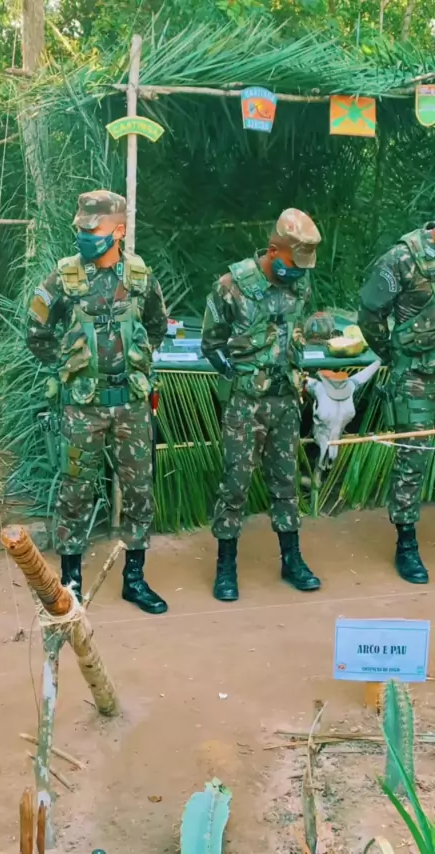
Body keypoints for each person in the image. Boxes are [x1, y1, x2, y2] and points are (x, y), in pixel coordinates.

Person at [26, 189, 168, 613]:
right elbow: (36, 332)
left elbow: (157, 326)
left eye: (94, 229)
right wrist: (69, 365)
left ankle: (134, 579)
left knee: (140, 492)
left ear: (118, 231)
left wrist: (137, 359)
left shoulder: (140, 278)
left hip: (132, 404)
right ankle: (70, 584)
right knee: (75, 492)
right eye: (82, 229)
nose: (85, 236)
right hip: (82, 407)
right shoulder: (63, 278)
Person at [201, 209, 322, 601]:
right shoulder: (231, 286)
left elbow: (295, 328)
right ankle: (226, 567)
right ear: (273, 251)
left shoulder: (299, 282)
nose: (298, 272)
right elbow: (211, 344)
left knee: (286, 482)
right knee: (235, 484)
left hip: (285, 400)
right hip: (245, 404)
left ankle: (292, 559)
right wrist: (240, 379)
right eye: (293, 263)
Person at [358, 222, 435, 585]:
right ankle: (406, 543)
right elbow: (369, 313)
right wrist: (393, 355)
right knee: (413, 456)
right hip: (415, 375)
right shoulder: (402, 258)